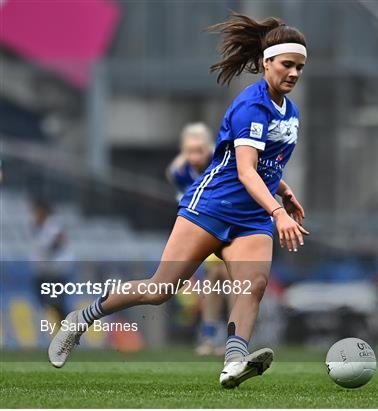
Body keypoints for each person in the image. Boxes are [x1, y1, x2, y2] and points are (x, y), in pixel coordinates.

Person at [48, 12, 309, 389]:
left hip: (253, 217)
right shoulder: (252, 106)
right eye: (288, 64)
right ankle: (82, 319)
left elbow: (268, 165)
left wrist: (284, 191)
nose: (295, 73)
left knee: (252, 285)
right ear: (267, 62)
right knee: (159, 290)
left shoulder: (292, 112)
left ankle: (233, 362)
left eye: (300, 67)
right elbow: (245, 169)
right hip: (212, 207)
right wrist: (278, 211)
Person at [166, 122, 231, 356]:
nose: (194, 155)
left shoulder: (223, 158)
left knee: (232, 279)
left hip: (233, 222)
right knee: (215, 278)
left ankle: (232, 336)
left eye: (199, 150)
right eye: (189, 150)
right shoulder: (180, 172)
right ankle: (211, 334)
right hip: (208, 226)